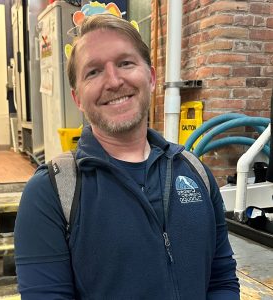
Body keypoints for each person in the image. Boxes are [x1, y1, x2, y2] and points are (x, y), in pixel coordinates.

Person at [14, 14, 240, 300]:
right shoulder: (51, 193)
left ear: (152, 77)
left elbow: (221, 280)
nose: (113, 80)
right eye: (93, 72)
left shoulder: (196, 173)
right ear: (77, 98)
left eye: (125, 63)